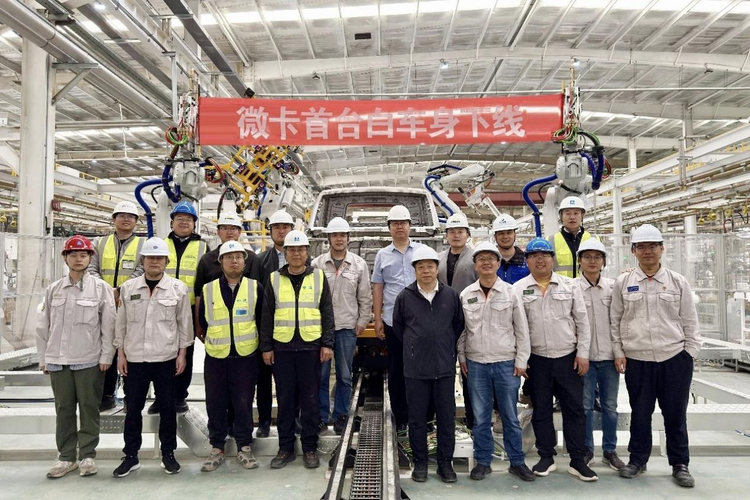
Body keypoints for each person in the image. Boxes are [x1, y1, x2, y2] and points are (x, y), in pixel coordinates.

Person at [611, 224, 702, 488]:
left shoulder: (677, 282)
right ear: (633, 251)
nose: (647, 251)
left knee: (675, 414)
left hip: (674, 358)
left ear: (662, 248)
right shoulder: (624, 283)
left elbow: (690, 320)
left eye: (652, 246)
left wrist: (689, 353)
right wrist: (619, 351)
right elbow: (615, 320)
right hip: (638, 359)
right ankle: (638, 460)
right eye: (641, 246)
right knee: (640, 413)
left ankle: (680, 463)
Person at [513, 237, 596, 482]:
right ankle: (546, 456)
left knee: (575, 409)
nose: (540, 260)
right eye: (534, 256)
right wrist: (522, 359)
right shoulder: (519, 289)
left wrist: (583, 353)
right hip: (536, 360)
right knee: (541, 410)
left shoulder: (570, 286)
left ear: (552, 259)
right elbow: (518, 328)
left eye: (545, 255)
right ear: (527, 261)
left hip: (568, 359)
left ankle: (578, 460)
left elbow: (582, 322)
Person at [36, 235, 116, 479]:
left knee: (89, 408)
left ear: (90, 258)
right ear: (65, 258)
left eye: (83, 255)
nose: (78, 259)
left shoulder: (101, 289)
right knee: (64, 409)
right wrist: (43, 358)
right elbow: (42, 326)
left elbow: (109, 325)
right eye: (73, 255)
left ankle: (88, 456)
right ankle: (66, 457)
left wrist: (106, 356)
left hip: (88, 359)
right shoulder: (53, 290)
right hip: (58, 360)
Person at [113, 237, 192, 477]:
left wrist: (182, 354)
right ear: (143, 260)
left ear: (166, 261)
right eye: (150, 258)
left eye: (159, 258)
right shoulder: (129, 288)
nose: (154, 262)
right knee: (132, 409)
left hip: (166, 358)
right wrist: (120, 354)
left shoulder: (177, 289)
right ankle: (131, 455)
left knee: (167, 409)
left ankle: (168, 453)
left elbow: (184, 324)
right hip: (135, 358)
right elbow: (121, 324)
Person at [458, 241, 534, 482]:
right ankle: (483, 461)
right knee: (481, 418)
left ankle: (517, 462)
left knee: (510, 416)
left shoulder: (510, 293)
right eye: (481, 259)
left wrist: (521, 360)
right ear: (475, 265)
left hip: (505, 364)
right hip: (476, 364)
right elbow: (462, 331)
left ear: (498, 263)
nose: (486, 263)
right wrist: (462, 356)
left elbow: (521, 329)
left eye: (491, 259)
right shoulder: (466, 295)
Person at [260, 230, 335, 469]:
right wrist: (266, 347)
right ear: (285, 252)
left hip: (310, 347)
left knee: (310, 400)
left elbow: (327, 312)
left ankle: (310, 448)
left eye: (300, 249)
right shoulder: (274, 279)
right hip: (282, 348)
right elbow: (266, 315)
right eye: (291, 250)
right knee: (285, 400)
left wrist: (327, 344)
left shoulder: (319, 277)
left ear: (307, 252)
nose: (296, 254)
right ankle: (286, 448)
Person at [393, 245, 464, 483]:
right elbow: (399, 328)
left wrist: (443, 346)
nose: (426, 271)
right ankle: (420, 463)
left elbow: (458, 325)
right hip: (416, 369)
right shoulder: (405, 297)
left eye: (430, 266)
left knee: (446, 418)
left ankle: (445, 463)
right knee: (417, 419)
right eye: (421, 267)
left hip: (444, 368)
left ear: (437, 269)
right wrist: (416, 347)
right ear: (415, 270)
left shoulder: (450, 295)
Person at [198, 241, 263, 473]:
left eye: (238, 257)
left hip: (246, 355)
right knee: (215, 402)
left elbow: (262, 320)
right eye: (229, 257)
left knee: (244, 402)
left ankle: (244, 446)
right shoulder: (208, 289)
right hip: (216, 356)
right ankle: (217, 447)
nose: (234, 261)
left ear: (244, 262)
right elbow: (203, 321)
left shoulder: (255, 287)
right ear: (221, 262)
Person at [312, 217, 372, 435]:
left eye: (343, 235)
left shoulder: (359, 265)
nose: (339, 239)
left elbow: (365, 296)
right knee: (321, 375)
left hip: (347, 328)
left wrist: (362, 322)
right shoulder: (317, 264)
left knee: (345, 375)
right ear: (329, 238)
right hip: (321, 329)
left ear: (348, 238)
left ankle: (341, 415)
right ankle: (321, 417)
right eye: (335, 235)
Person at [149, 200, 208, 415]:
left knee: (186, 352)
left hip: (189, 308)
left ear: (194, 224)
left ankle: (179, 396)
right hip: (160, 306)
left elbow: (204, 282)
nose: (184, 222)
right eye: (180, 219)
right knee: (160, 352)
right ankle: (160, 397)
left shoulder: (203, 247)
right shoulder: (160, 244)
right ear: (171, 222)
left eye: (188, 219)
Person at [87, 201, 144, 412]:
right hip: (103, 304)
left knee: (131, 350)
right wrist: (106, 290)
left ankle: (131, 397)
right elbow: (91, 267)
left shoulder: (143, 244)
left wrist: (121, 290)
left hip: (132, 304)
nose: (126, 219)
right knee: (106, 349)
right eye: (121, 215)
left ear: (136, 221)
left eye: (130, 216)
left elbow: (142, 270)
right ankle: (106, 395)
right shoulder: (99, 243)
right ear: (114, 219)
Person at [575, 239, 626, 471]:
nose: (592, 261)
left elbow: (618, 322)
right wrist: (579, 354)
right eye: (587, 257)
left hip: (609, 357)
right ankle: (587, 450)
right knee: (585, 406)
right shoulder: (572, 288)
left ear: (604, 261)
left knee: (610, 406)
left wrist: (619, 352)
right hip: (584, 359)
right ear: (580, 261)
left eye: (597, 257)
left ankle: (610, 450)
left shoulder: (613, 287)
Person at [372, 205, 423, 431]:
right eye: (395, 223)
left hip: (420, 322)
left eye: (403, 223)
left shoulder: (421, 251)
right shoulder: (382, 255)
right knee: (396, 369)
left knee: (421, 369)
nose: (399, 227)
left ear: (410, 226)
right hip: (393, 323)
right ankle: (401, 415)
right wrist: (378, 319)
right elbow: (377, 287)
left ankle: (421, 414)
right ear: (389, 228)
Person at [251, 209, 295, 438]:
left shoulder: (301, 257)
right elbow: (255, 295)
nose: (281, 231)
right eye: (277, 227)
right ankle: (265, 421)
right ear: (270, 232)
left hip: (293, 330)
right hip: (267, 328)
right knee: (264, 378)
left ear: (292, 229)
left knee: (290, 380)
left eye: (285, 227)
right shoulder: (260, 260)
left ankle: (293, 419)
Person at [437, 212, 477, 430]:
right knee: (443, 372)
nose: (456, 235)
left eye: (460, 231)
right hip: (444, 323)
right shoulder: (438, 258)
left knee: (469, 372)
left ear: (467, 234)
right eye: (452, 231)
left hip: (470, 322)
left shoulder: (476, 258)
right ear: (446, 235)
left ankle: (473, 420)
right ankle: (445, 418)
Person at [548, 196, 595, 279]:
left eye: (576, 213)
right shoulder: (550, 241)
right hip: (560, 285)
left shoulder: (593, 240)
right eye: (568, 213)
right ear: (561, 216)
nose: (572, 217)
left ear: (582, 215)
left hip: (586, 285)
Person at [492, 214, 529, 284]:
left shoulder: (527, 261)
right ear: (495, 236)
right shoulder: (489, 262)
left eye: (509, 233)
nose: (505, 237)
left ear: (515, 235)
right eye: (501, 233)